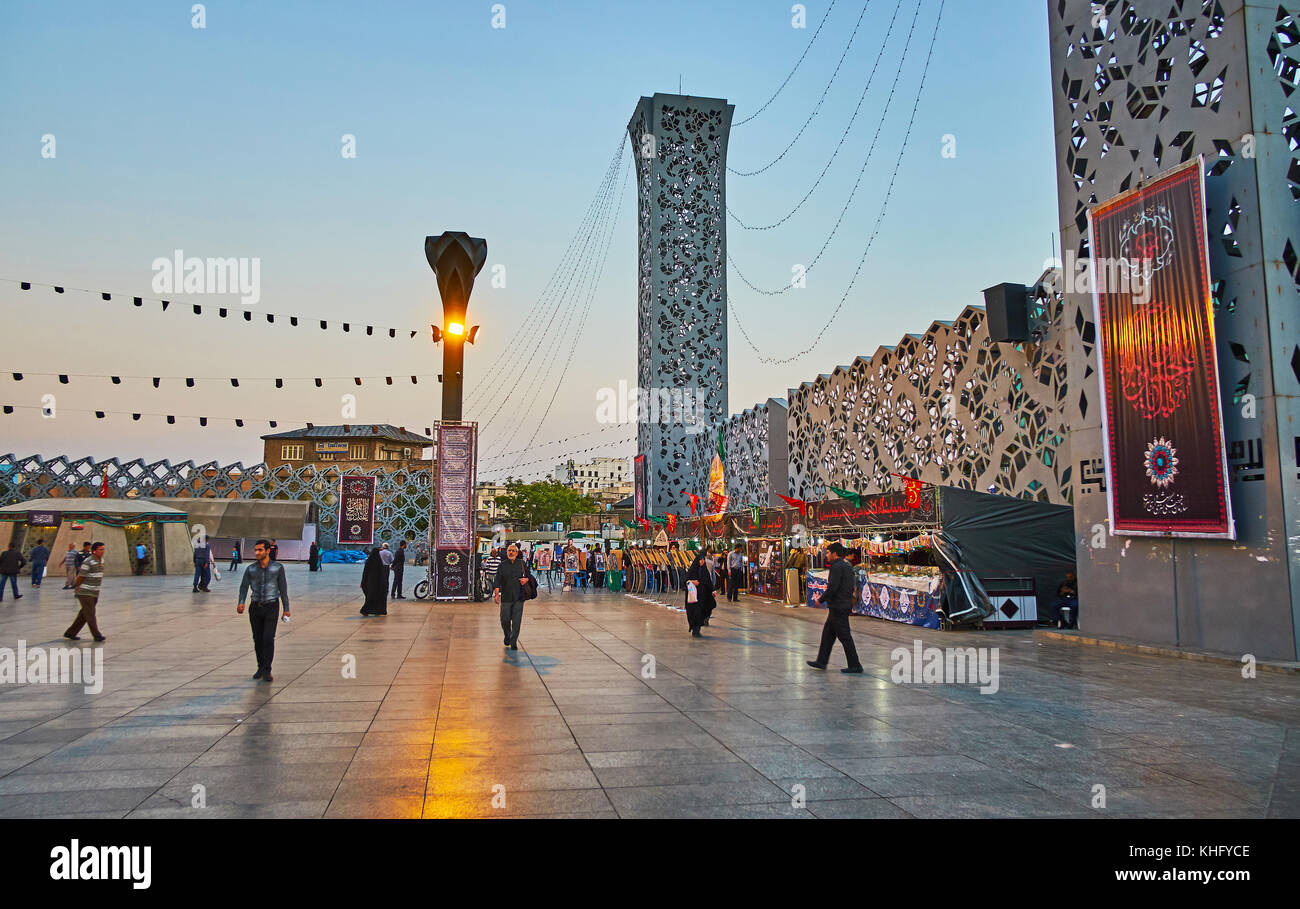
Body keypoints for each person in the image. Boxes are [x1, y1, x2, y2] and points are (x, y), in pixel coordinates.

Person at [236, 539, 290, 682]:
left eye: (260, 550)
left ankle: (267, 669)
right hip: (255, 607)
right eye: (255, 550)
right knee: (257, 639)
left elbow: (283, 589)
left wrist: (286, 609)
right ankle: (260, 666)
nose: (257, 553)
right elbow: (243, 587)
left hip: (271, 606)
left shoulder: (278, 568)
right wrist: (241, 602)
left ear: (267, 551)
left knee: (268, 638)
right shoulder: (251, 569)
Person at [807, 543, 863, 673]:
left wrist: (820, 600)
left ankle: (855, 665)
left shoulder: (837, 567)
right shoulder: (845, 565)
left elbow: (833, 587)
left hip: (839, 606)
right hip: (840, 605)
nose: (826, 555)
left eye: (827, 553)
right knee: (827, 634)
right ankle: (821, 661)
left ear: (834, 554)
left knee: (845, 637)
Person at [65, 540, 107, 642]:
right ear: (94, 551)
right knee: (90, 614)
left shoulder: (101, 560)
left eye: (103, 549)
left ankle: (70, 633)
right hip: (85, 592)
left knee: (84, 614)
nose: (103, 551)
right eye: (101, 549)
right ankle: (97, 635)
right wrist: (76, 587)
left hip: (95, 592)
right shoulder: (88, 561)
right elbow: (80, 577)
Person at [493, 543, 532, 650]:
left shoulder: (522, 563)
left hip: (519, 597)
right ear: (507, 552)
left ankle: (513, 641)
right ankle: (507, 635)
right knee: (504, 619)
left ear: (517, 553)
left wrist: (526, 579)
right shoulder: (502, 565)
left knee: (516, 621)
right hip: (506, 597)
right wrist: (496, 594)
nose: (511, 552)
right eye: (509, 550)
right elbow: (497, 580)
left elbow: (529, 576)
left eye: (513, 551)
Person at [684, 550, 715, 638]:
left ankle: (697, 630)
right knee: (693, 613)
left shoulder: (705, 571)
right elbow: (685, 582)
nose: (702, 561)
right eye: (700, 560)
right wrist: (692, 582)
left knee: (700, 612)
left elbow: (708, 582)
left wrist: (713, 590)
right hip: (693, 597)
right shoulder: (692, 570)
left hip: (702, 596)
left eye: (703, 560)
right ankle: (694, 629)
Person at [359, 547, 388, 616]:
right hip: (377, 583)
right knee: (375, 596)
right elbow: (382, 574)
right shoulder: (378, 561)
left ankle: (370, 610)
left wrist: (363, 582)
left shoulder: (369, 561)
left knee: (371, 596)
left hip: (370, 582)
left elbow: (365, 572)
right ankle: (369, 610)